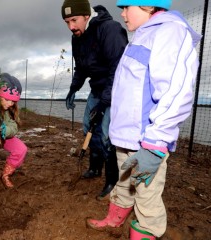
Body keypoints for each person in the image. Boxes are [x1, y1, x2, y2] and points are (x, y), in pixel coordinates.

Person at [86, 0, 202, 239]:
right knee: (125, 181)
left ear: (148, 5)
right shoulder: (141, 36)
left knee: (147, 195)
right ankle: (115, 218)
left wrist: (155, 145)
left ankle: (147, 231)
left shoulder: (169, 32)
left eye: (127, 6)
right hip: (127, 136)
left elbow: (175, 91)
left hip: (146, 141)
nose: (123, 13)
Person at [61, 0, 128, 198]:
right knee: (88, 129)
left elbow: (118, 71)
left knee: (107, 135)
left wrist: (103, 104)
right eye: (66, 22)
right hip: (97, 89)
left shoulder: (110, 30)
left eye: (74, 20)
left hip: (115, 90)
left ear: (86, 15)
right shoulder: (78, 37)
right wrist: (73, 89)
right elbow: (81, 68)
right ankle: (95, 168)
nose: (71, 27)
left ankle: (111, 181)